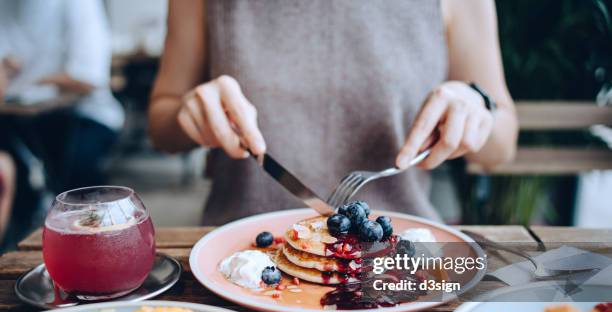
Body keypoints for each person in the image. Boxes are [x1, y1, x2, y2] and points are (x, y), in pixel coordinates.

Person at [149, 0, 518, 224]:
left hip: (401, 266)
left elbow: (503, 144)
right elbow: (161, 125)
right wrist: (190, 114)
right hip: (237, 259)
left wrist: (475, 106)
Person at [0, 0, 124, 193]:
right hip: (20, 117)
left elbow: (88, 78)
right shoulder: (6, 8)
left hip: (85, 115)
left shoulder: (78, 4)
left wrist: (28, 83)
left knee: (76, 168)